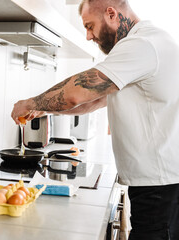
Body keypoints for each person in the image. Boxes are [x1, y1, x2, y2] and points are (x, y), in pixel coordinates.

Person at [11, 0, 179, 239]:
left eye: (90, 26)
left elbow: (75, 93)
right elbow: (91, 101)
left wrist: (30, 103)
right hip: (157, 186)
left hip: (161, 189)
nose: (88, 36)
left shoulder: (141, 44)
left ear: (111, 14)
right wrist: (45, 109)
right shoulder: (145, 44)